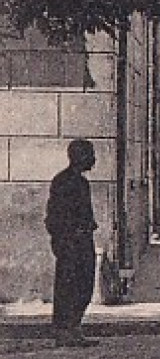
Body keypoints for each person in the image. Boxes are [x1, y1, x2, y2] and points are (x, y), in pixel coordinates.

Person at [45, 139, 99, 347]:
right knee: (68, 286)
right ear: (79, 157)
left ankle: (74, 327)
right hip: (70, 243)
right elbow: (54, 215)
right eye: (90, 155)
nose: (93, 159)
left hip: (83, 240)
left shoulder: (81, 182)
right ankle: (64, 331)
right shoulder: (62, 181)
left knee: (85, 285)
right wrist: (62, 239)